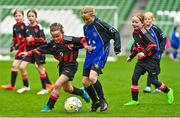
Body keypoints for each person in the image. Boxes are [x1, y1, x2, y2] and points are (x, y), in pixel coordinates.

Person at [19, 22, 92, 112]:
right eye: (54, 36)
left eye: (58, 36)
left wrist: (85, 46)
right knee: (67, 88)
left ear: (62, 33)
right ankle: (82, 92)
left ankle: (49, 106)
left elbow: (82, 39)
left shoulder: (68, 40)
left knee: (57, 85)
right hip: (62, 66)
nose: (56, 38)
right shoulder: (51, 44)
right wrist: (27, 53)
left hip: (71, 66)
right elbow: (39, 49)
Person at [124, 12, 174, 105]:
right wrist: (131, 56)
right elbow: (137, 46)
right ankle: (135, 101)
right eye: (133, 22)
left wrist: (143, 53)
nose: (134, 24)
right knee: (134, 78)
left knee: (153, 81)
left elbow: (153, 45)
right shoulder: (135, 33)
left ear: (142, 23)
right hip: (142, 60)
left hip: (152, 60)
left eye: (136, 22)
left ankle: (168, 91)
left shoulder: (144, 32)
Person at [80, 6, 121, 112]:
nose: (86, 21)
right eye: (84, 19)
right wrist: (87, 46)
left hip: (100, 53)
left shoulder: (101, 24)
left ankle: (103, 101)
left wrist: (117, 47)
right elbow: (87, 39)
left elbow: (115, 32)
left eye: (87, 19)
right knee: (85, 82)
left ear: (93, 15)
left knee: (92, 77)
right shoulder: (85, 27)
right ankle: (95, 102)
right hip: (90, 55)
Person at [17, 9, 53, 94]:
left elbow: (43, 39)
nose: (30, 18)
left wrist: (33, 39)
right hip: (29, 51)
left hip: (38, 51)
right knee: (22, 67)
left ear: (36, 17)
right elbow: (25, 39)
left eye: (32, 16)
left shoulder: (39, 27)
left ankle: (45, 88)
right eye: (29, 16)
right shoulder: (26, 27)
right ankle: (26, 86)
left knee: (39, 67)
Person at [1, 8, 27, 90]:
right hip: (20, 50)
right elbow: (15, 37)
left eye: (19, 15)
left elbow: (26, 39)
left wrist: (17, 45)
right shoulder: (15, 26)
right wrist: (12, 44)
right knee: (15, 66)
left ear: (23, 17)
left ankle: (48, 84)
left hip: (27, 50)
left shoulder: (25, 26)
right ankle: (12, 85)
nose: (17, 17)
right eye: (16, 16)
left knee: (38, 66)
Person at [142, 12, 166, 93]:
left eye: (149, 19)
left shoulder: (156, 28)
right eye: (146, 19)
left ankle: (157, 87)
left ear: (152, 20)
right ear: (143, 21)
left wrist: (161, 48)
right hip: (147, 53)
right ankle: (148, 87)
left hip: (156, 53)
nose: (147, 20)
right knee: (150, 69)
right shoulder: (143, 30)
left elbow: (164, 38)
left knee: (155, 70)